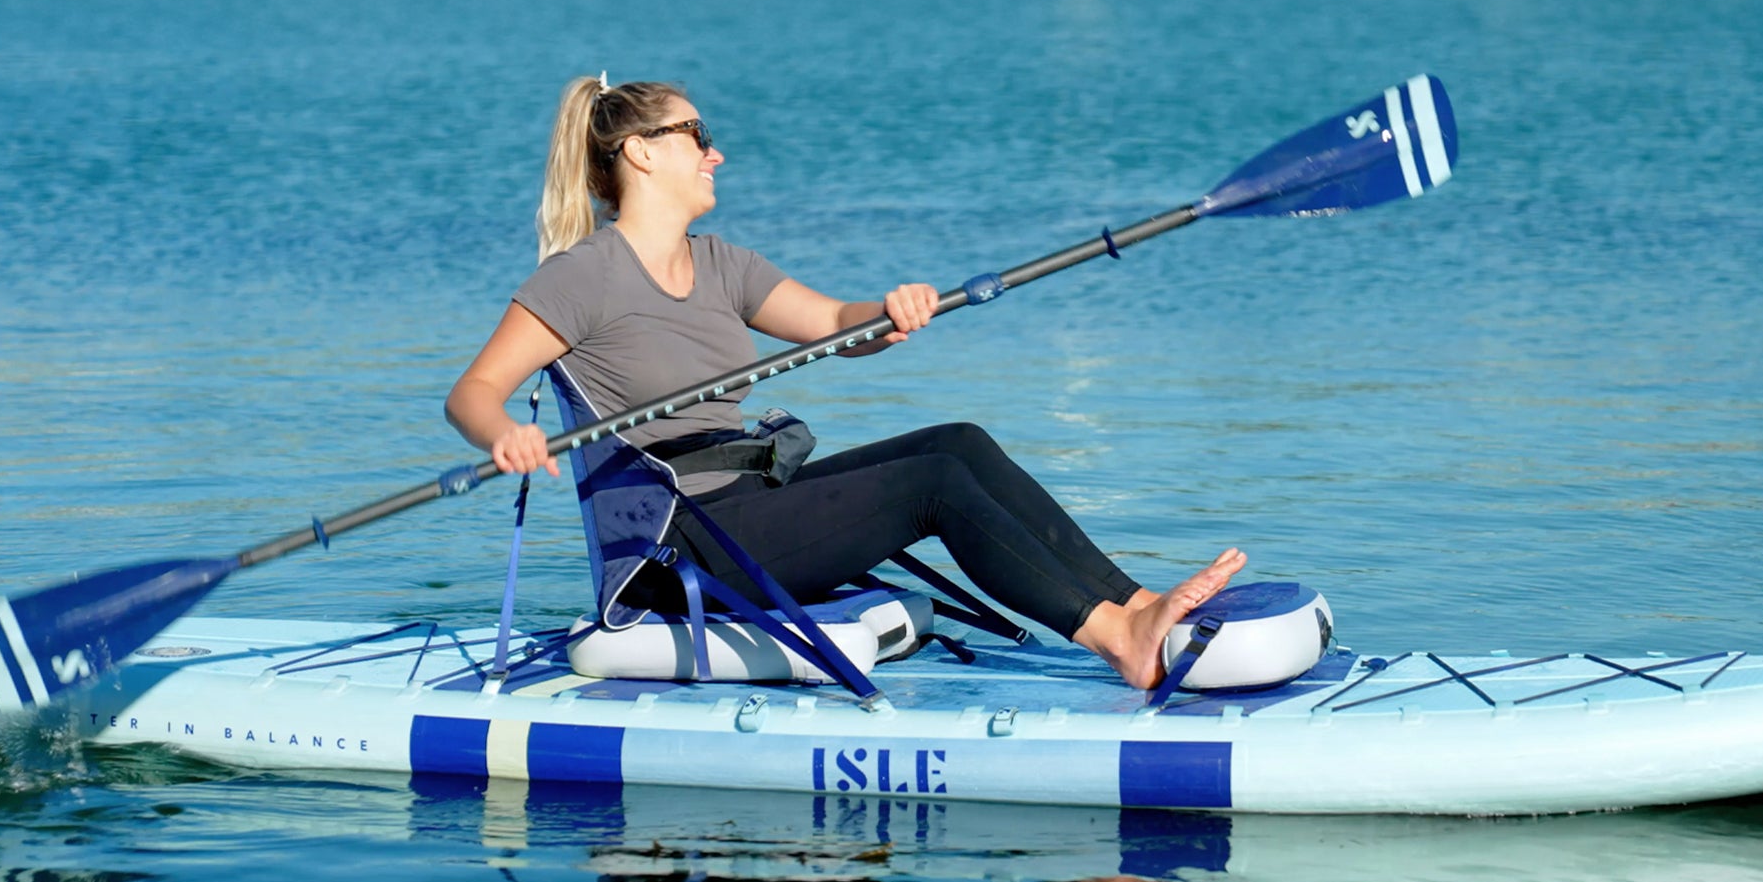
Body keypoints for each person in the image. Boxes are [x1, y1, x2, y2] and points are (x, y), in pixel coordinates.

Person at [446, 76, 1245, 688]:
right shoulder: (582, 277)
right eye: (698, 134)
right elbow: (473, 392)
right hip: (679, 544)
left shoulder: (724, 263)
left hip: (752, 510)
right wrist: (505, 435)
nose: (715, 151)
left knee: (958, 441)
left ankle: (1140, 607)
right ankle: (1115, 639)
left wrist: (888, 312)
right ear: (643, 153)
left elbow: (834, 325)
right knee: (933, 483)